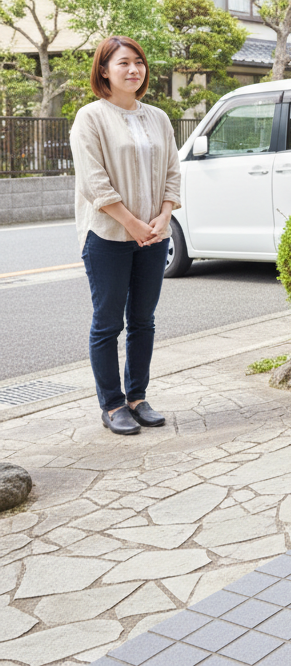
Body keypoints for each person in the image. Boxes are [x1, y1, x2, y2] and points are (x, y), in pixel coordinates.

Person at [69, 36, 181, 436]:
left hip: (154, 234)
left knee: (143, 321)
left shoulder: (159, 117)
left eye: (139, 62)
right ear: (104, 70)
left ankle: (137, 397)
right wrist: (132, 224)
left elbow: (172, 171)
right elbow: (93, 182)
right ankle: (113, 404)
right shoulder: (91, 117)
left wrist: (164, 215)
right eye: (123, 63)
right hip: (107, 236)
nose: (134, 69)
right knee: (107, 323)